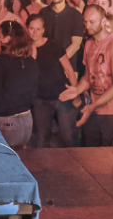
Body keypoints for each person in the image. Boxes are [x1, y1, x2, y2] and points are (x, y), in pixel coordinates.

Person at [59, 5, 113, 146]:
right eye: (85, 22)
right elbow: (88, 77)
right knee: (91, 156)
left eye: (92, 22)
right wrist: (77, 89)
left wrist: (92, 106)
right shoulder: (89, 44)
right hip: (96, 109)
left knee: (108, 160)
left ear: (103, 21)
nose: (87, 26)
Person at [0, 20, 38, 148]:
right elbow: (33, 95)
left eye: (0, 34)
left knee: (0, 162)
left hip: (7, 122)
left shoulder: (0, 62)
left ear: (8, 38)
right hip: (27, 123)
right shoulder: (31, 62)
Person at [26, 14, 78, 148]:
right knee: (42, 138)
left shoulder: (54, 46)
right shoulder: (25, 49)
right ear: (27, 29)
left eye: (38, 29)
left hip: (62, 96)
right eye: (32, 28)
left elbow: (69, 69)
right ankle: (45, 168)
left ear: (43, 30)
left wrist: (76, 92)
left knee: (69, 136)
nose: (35, 32)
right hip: (40, 98)